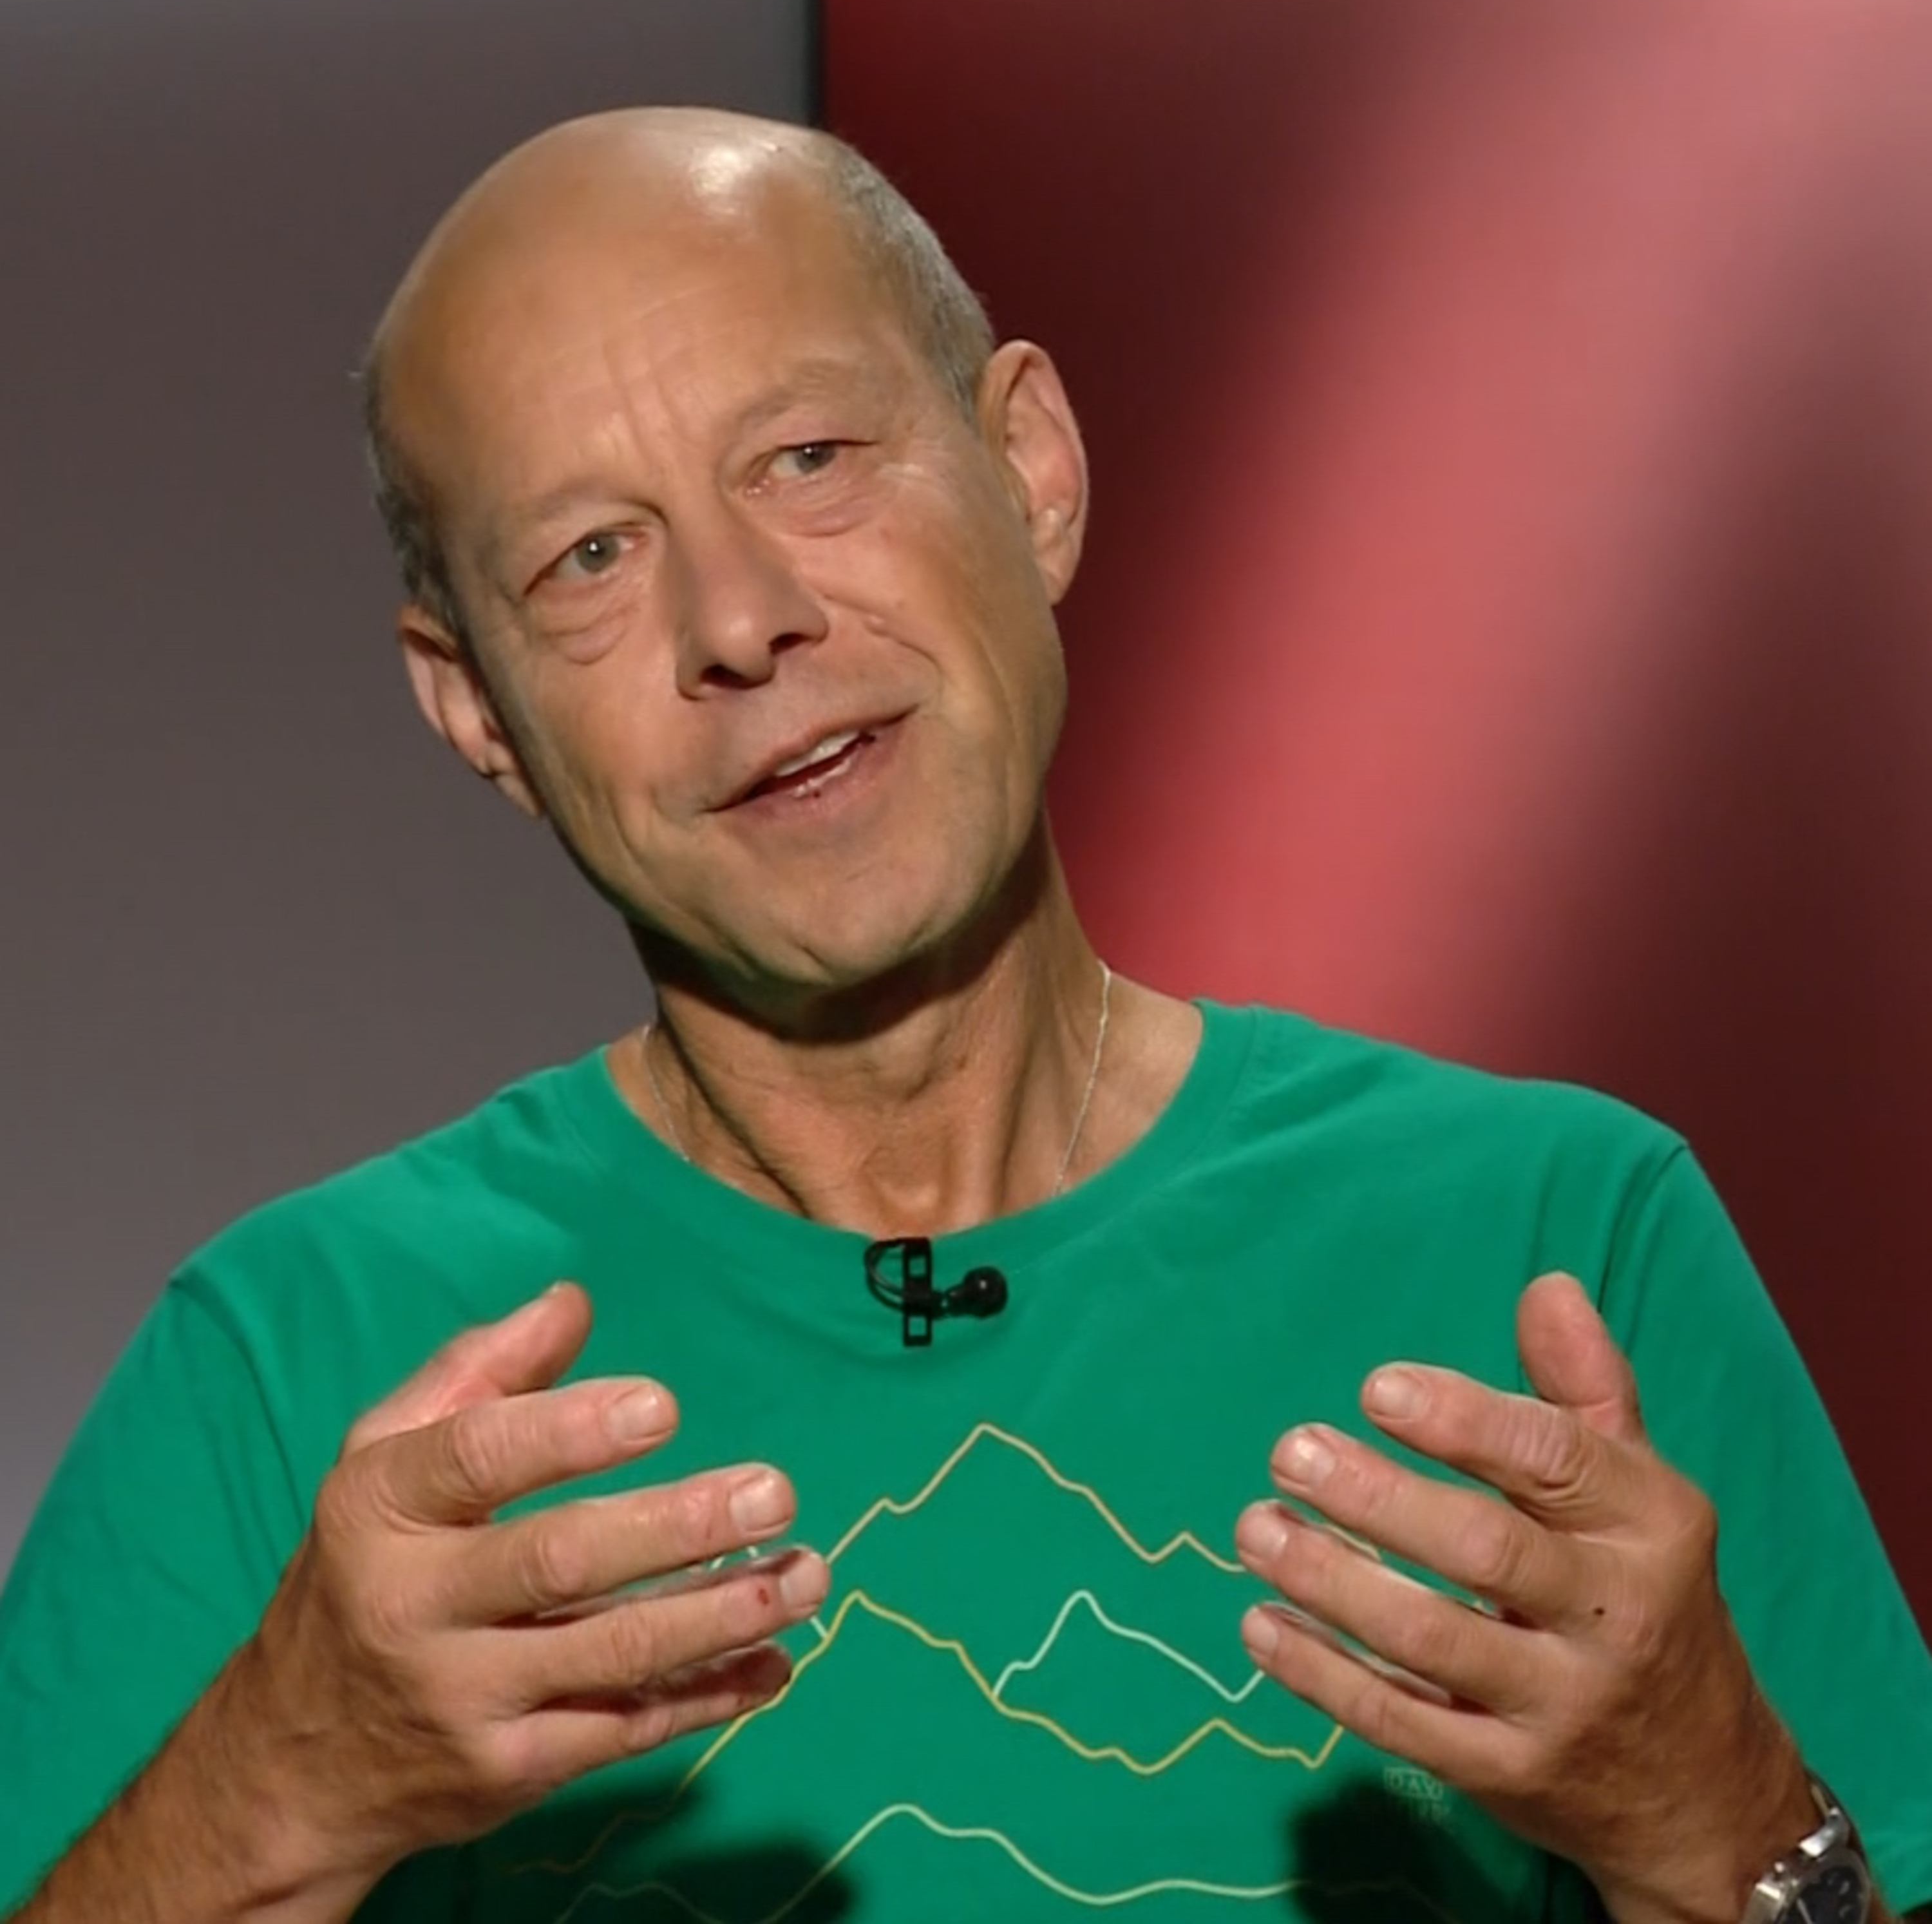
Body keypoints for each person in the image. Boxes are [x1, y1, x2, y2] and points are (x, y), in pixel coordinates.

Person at [1, 106, 1927, 1924]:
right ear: (477, 711)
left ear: (1033, 473)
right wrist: (278, 1786)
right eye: (590, 557)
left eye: (807, 458)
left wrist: (1718, 1815)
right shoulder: (284, 1369)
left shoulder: (1562, 1250)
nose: (739, 620)